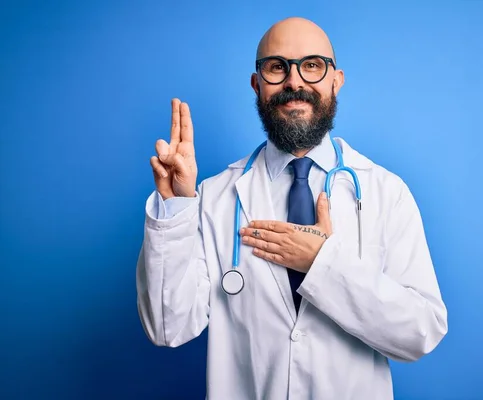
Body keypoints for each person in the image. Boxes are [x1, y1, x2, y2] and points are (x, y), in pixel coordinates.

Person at [136, 16, 448, 399]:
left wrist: (324, 264)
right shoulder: (215, 197)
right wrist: (176, 204)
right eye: (276, 67)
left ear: (337, 80)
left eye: (312, 66)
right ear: (257, 85)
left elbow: (420, 333)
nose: (294, 82)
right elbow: (168, 327)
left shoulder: (386, 192)